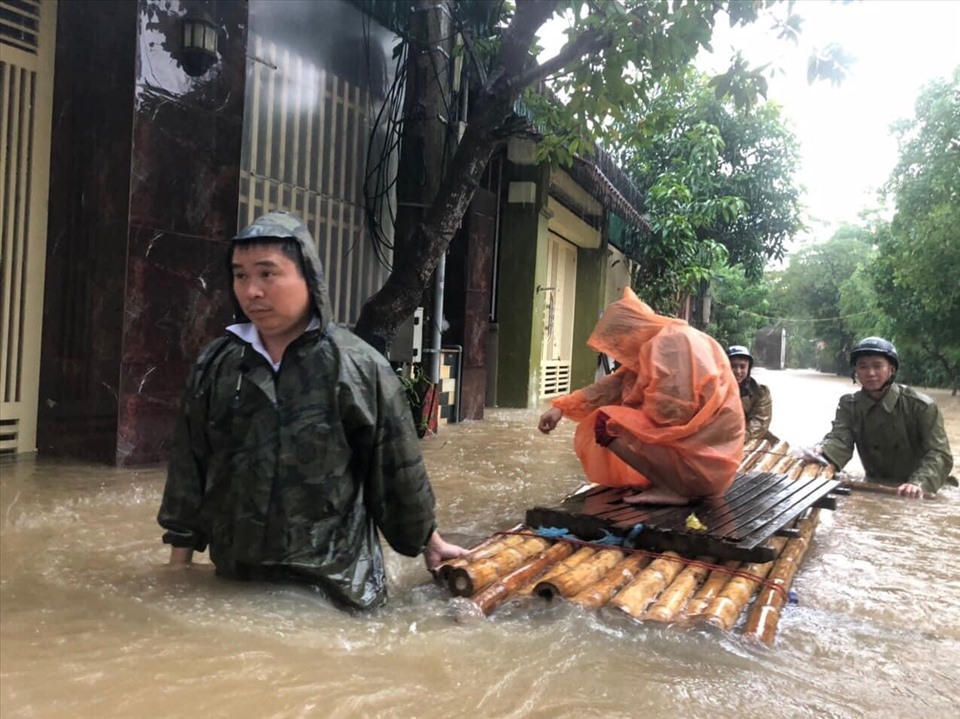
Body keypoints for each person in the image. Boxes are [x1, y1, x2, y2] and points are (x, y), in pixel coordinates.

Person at [157, 212, 467, 610]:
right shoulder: (217, 366)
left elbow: (396, 472)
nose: (251, 290)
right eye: (240, 276)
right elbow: (189, 467)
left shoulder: (358, 368)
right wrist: (177, 573)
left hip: (335, 589)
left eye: (267, 275)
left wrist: (428, 541)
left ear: (309, 277)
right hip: (236, 582)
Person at [538, 288, 745, 505]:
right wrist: (560, 407)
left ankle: (672, 489)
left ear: (631, 331)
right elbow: (613, 386)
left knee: (607, 423)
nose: (619, 349)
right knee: (614, 419)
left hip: (705, 467)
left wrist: (631, 407)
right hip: (714, 465)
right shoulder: (662, 340)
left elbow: (673, 412)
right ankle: (670, 483)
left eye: (619, 342)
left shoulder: (670, 343)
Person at [815, 337, 955, 498]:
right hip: (877, 486)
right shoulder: (849, 405)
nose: (870, 373)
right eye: (863, 367)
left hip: (926, 490)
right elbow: (840, 440)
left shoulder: (921, 406)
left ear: (892, 369)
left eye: (877, 366)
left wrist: (918, 483)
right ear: (856, 371)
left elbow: (939, 454)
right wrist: (822, 452)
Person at [726, 345, 773, 442]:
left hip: (750, 437)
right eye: (733, 366)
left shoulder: (760, 392)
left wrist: (740, 438)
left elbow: (760, 421)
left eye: (742, 367)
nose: (738, 371)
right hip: (721, 436)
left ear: (749, 368)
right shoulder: (714, 389)